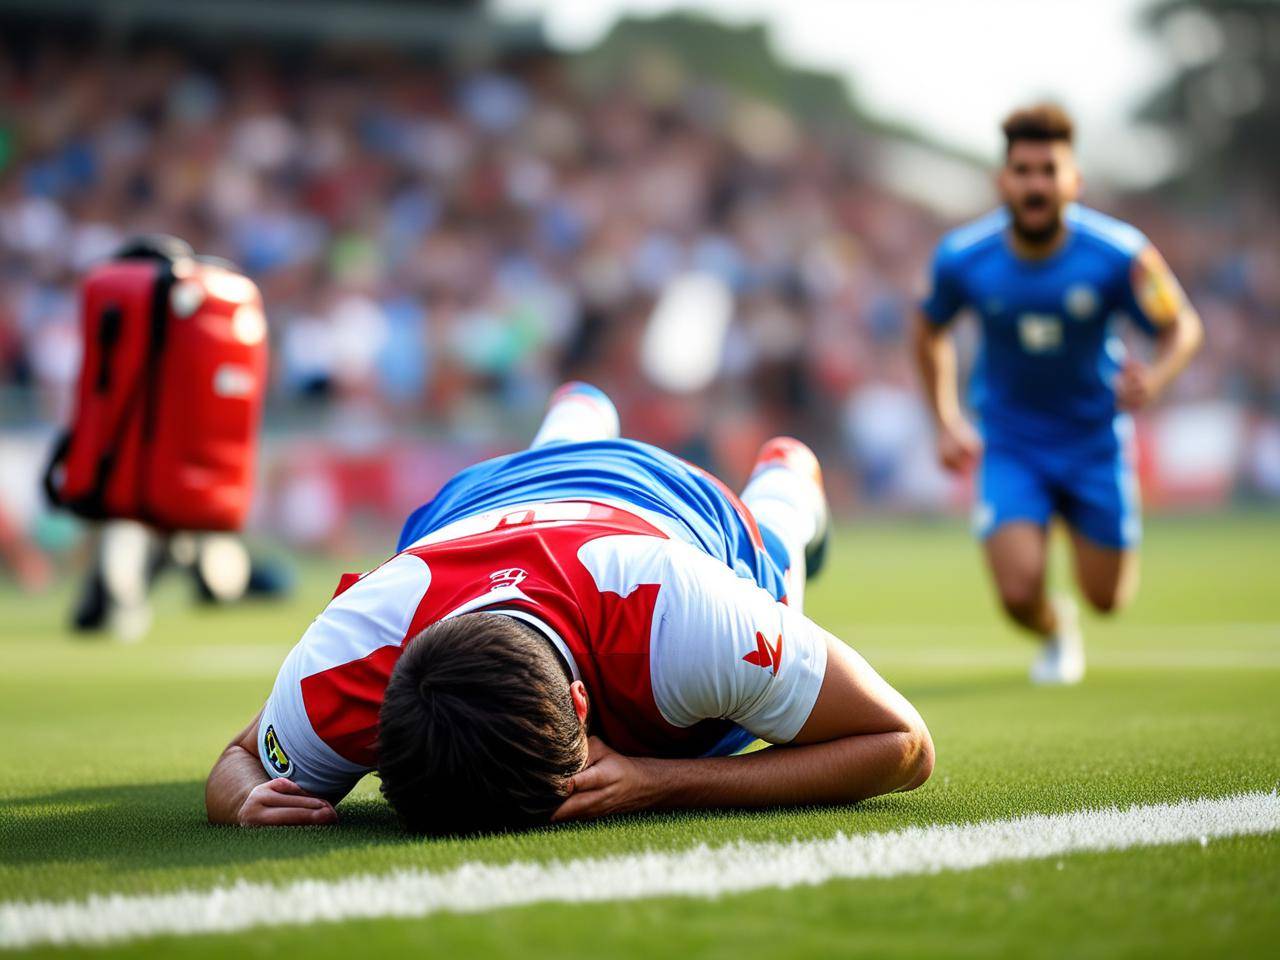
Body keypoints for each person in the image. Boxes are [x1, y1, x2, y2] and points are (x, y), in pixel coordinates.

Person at [205, 382, 933, 832]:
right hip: (492, 497)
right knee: (543, 461)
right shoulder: (349, 657)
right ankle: (577, 409)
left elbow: (903, 746)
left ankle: (786, 472)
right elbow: (239, 760)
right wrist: (243, 800)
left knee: (777, 542)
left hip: (665, 503)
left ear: (581, 703)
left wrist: (663, 783)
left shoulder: (687, 616)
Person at [913, 104, 1203, 685]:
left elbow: (1182, 325)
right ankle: (1052, 627)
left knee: (1108, 598)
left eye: (1050, 170)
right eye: (1024, 170)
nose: (1036, 183)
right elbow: (927, 332)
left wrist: (1158, 373)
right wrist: (946, 420)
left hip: (1095, 441)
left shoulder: (1120, 254)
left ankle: (1083, 583)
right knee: (1018, 591)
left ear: (1075, 180)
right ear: (1004, 181)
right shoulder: (964, 259)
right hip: (1012, 442)